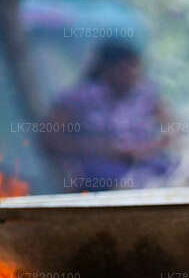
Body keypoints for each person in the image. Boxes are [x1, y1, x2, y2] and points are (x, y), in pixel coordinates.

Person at [44, 42, 175, 191]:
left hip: (147, 164)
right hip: (99, 169)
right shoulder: (77, 98)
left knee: (184, 181)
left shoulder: (147, 95)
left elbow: (171, 129)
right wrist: (106, 149)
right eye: (125, 68)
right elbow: (51, 141)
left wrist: (152, 146)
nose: (133, 73)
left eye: (135, 67)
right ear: (107, 69)